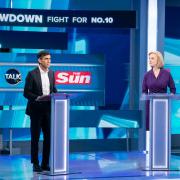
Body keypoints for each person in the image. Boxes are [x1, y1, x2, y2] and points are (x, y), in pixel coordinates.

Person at [24, 50, 57, 172]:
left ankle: (45, 163)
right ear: (40, 60)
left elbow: (53, 89)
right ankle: (35, 163)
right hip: (36, 110)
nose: (49, 61)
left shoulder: (52, 73)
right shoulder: (32, 74)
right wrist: (37, 97)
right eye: (46, 59)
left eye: (50, 59)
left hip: (48, 110)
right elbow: (26, 93)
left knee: (48, 137)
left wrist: (58, 95)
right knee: (35, 138)